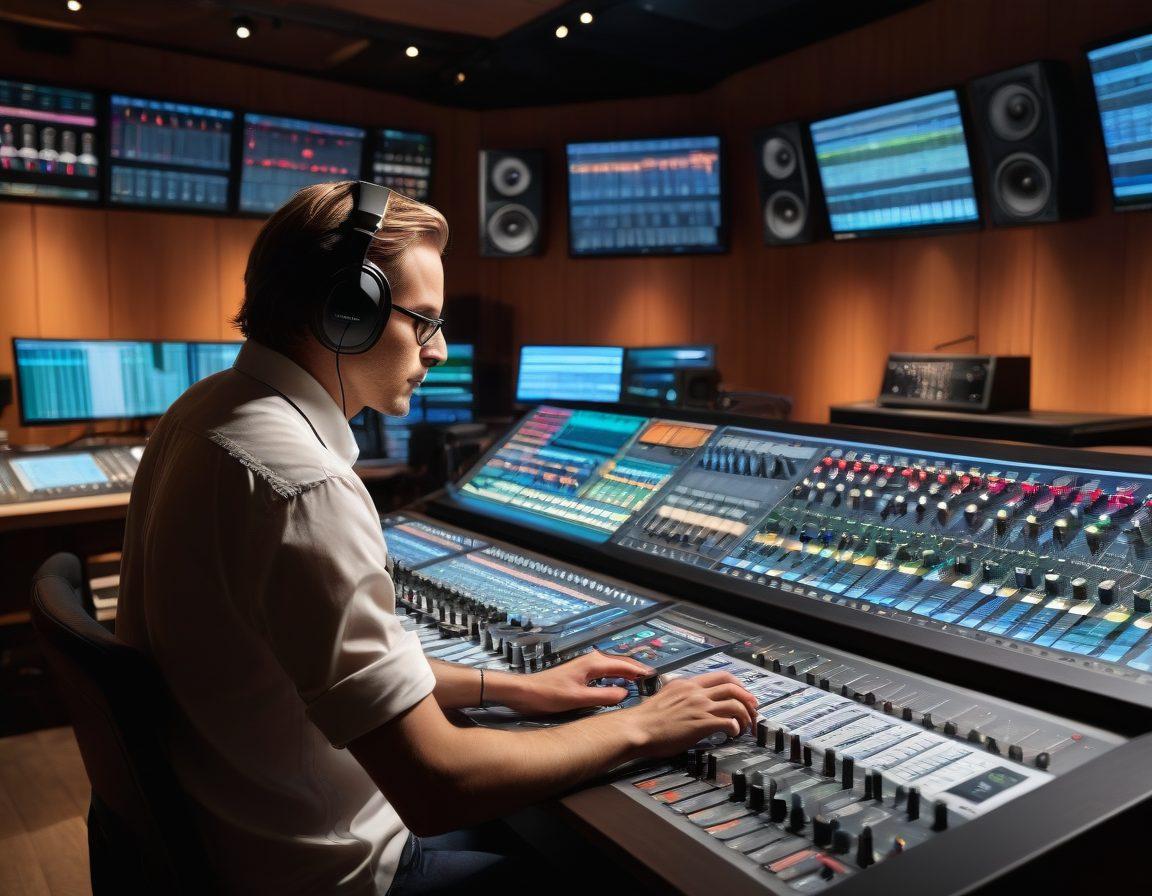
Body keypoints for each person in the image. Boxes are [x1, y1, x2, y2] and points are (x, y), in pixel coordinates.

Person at [116, 180, 758, 896]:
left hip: (234, 845)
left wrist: (517, 688)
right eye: (421, 321)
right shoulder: (303, 487)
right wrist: (645, 725)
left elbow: (312, 672)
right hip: (333, 874)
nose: (441, 350)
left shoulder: (201, 413)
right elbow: (437, 786)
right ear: (341, 314)